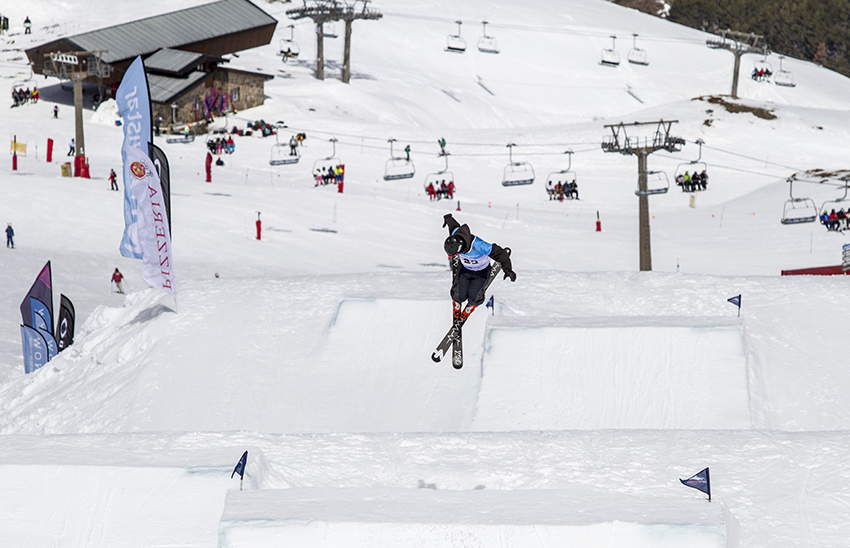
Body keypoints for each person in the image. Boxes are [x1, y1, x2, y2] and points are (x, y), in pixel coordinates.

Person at [442, 213, 515, 323]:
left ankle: (472, 304)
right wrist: (448, 218)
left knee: (474, 295)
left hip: (481, 272)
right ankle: (457, 301)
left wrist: (508, 269)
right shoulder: (455, 234)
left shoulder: (479, 245)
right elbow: (453, 225)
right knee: (459, 294)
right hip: (465, 269)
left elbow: (500, 253)